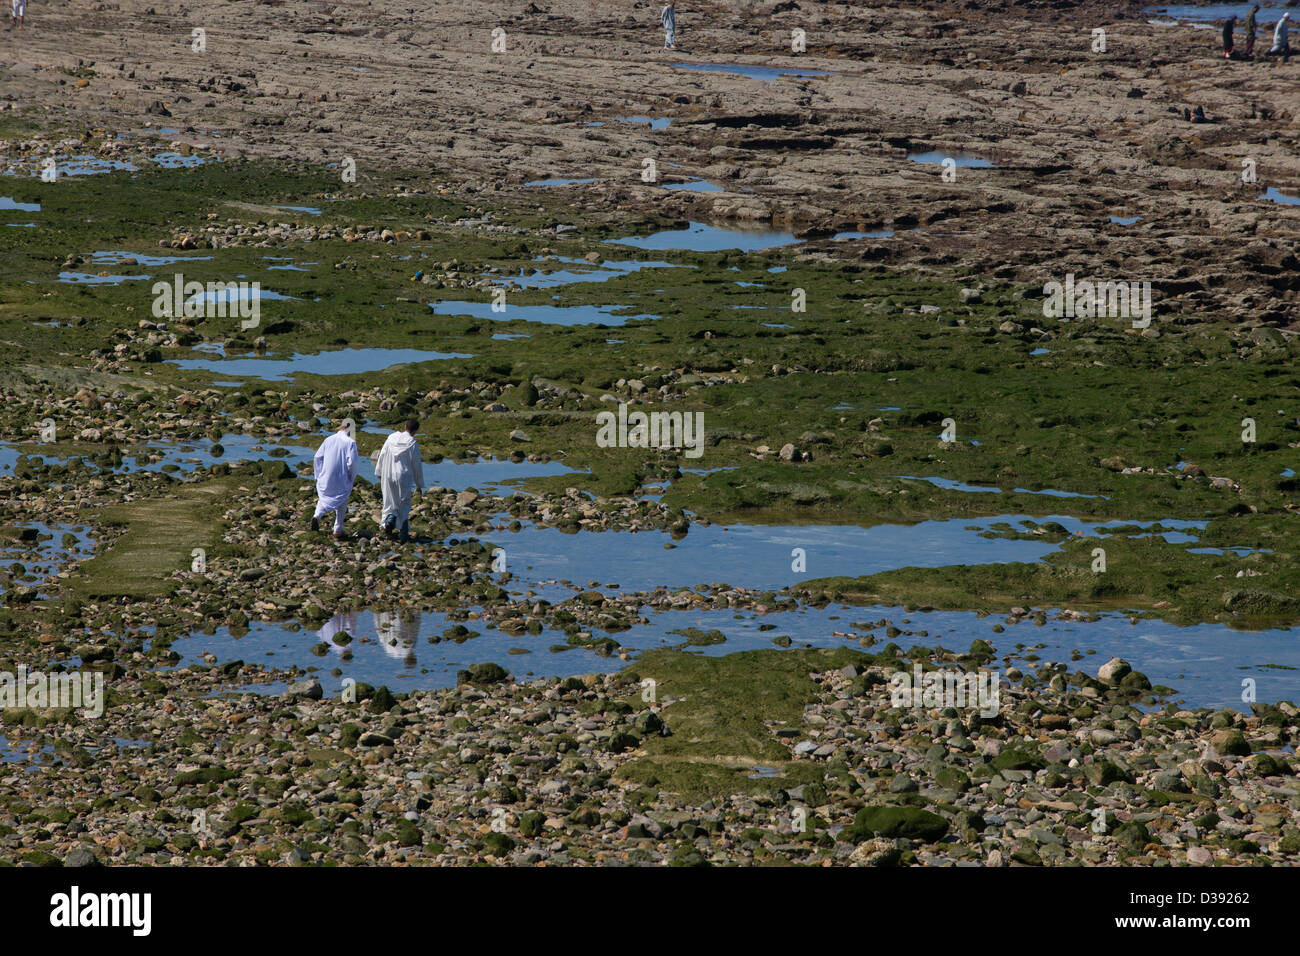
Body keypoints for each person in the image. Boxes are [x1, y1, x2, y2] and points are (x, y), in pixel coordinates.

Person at [375, 418, 424, 542]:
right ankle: (403, 535)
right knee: (403, 505)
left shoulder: (391, 438)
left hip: (388, 474)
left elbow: (382, 454)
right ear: (415, 431)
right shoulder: (412, 443)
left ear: (404, 426)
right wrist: (419, 483)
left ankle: (388, 527)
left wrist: (379, 472)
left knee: (389, 502)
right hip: (403, 476)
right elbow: (416, 464)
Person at [311, 420, 358, 539]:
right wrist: (351, 477)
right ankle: (338, 528)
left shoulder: (329, 439)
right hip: (341, 476)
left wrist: (318, 474)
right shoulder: (350, 442)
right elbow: (352, 462)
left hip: (325, 475)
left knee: (324, 496)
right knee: (342, 499)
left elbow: (317, 457)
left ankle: (317, 516)